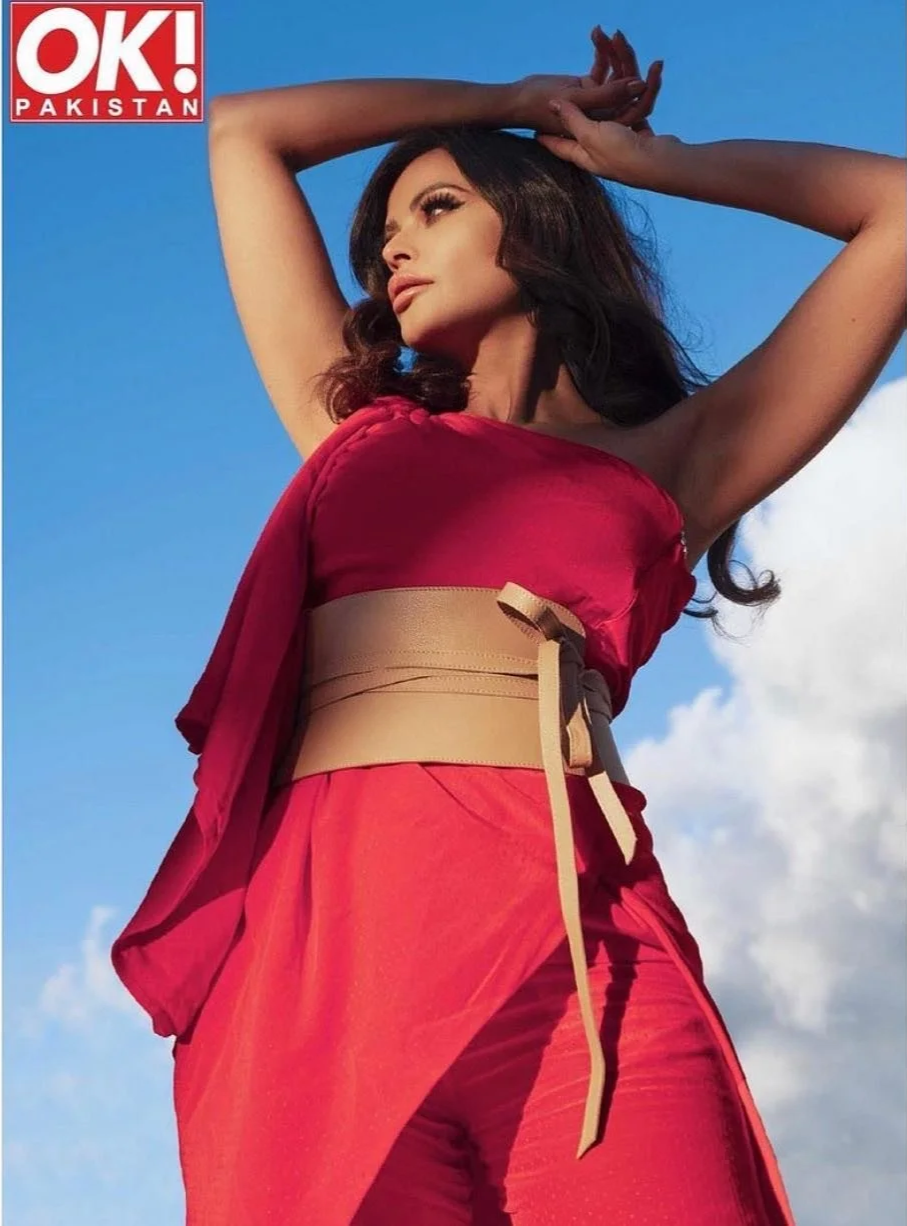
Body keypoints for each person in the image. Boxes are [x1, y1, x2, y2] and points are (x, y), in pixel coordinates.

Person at [110, 24, 906, 1226]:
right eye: (381, 239)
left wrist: (642, 159)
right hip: (327, 984)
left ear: (533, 229)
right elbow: (245, 131)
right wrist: (504, 91)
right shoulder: (356, 431)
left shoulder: (675, 464)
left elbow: (897, 212)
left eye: (433, 209)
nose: (391, 253)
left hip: (584, 962)